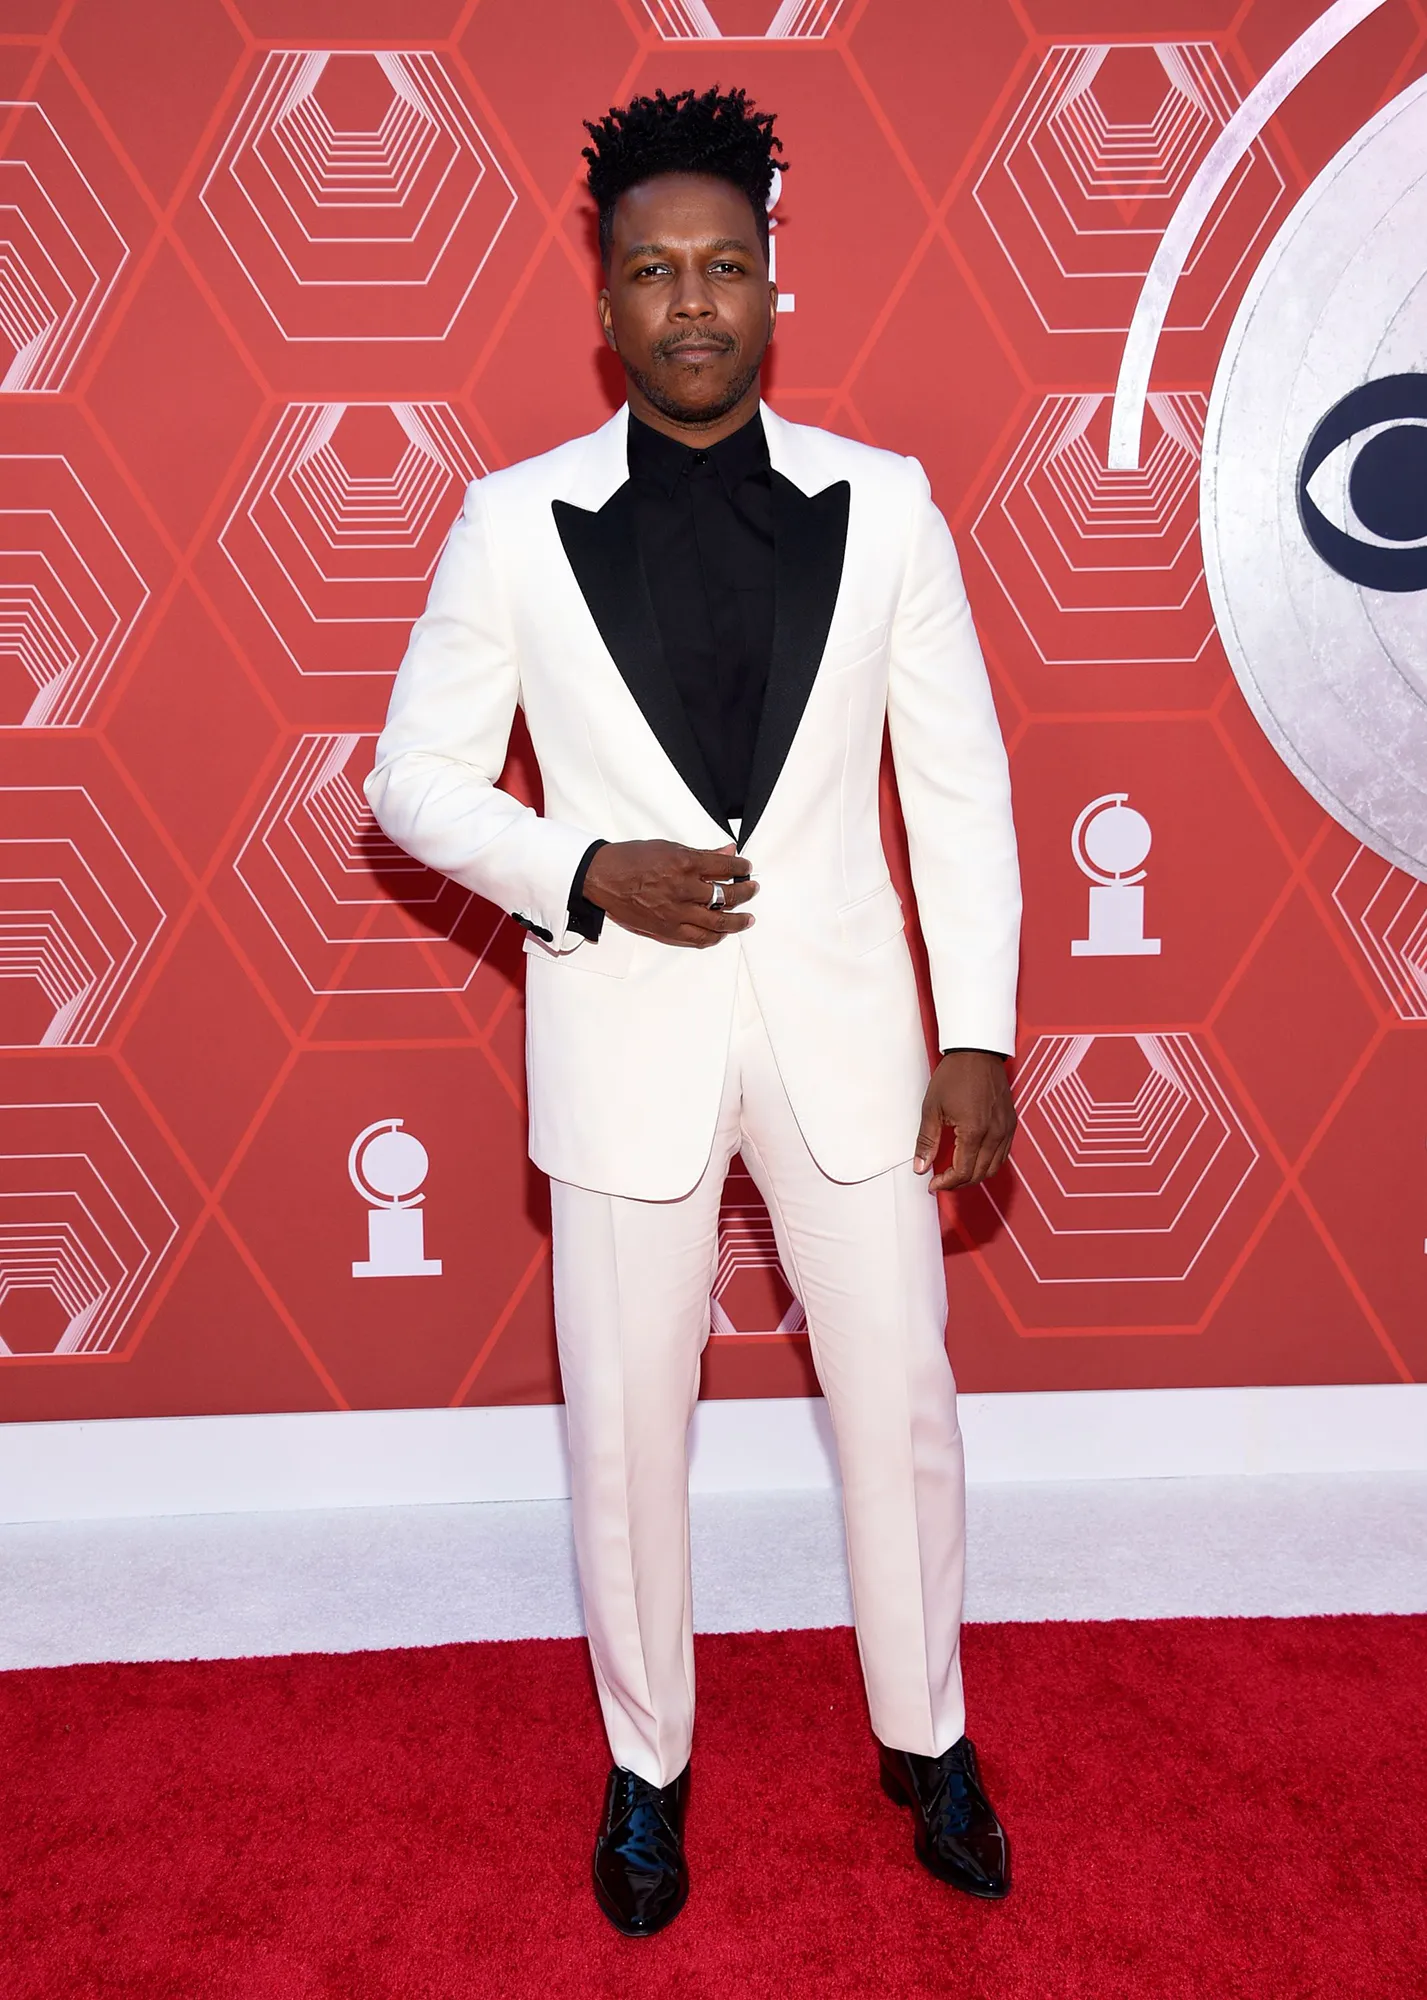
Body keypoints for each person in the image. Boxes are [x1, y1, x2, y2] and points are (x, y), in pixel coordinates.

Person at [365, 85, 1022, 1939]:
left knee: (899, 1408)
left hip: (850, 1041)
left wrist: (975, 1032)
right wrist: (585, 869)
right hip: (621, 1034)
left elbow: (957, 790)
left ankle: (929, 1739)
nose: (691, 301)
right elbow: (411, 780)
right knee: (623, 1433)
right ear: (605, 303)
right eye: (651, 271)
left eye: (722, 265)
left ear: (769, 283)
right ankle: (643, 1767)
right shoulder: (512, 525)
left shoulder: (887, 507)